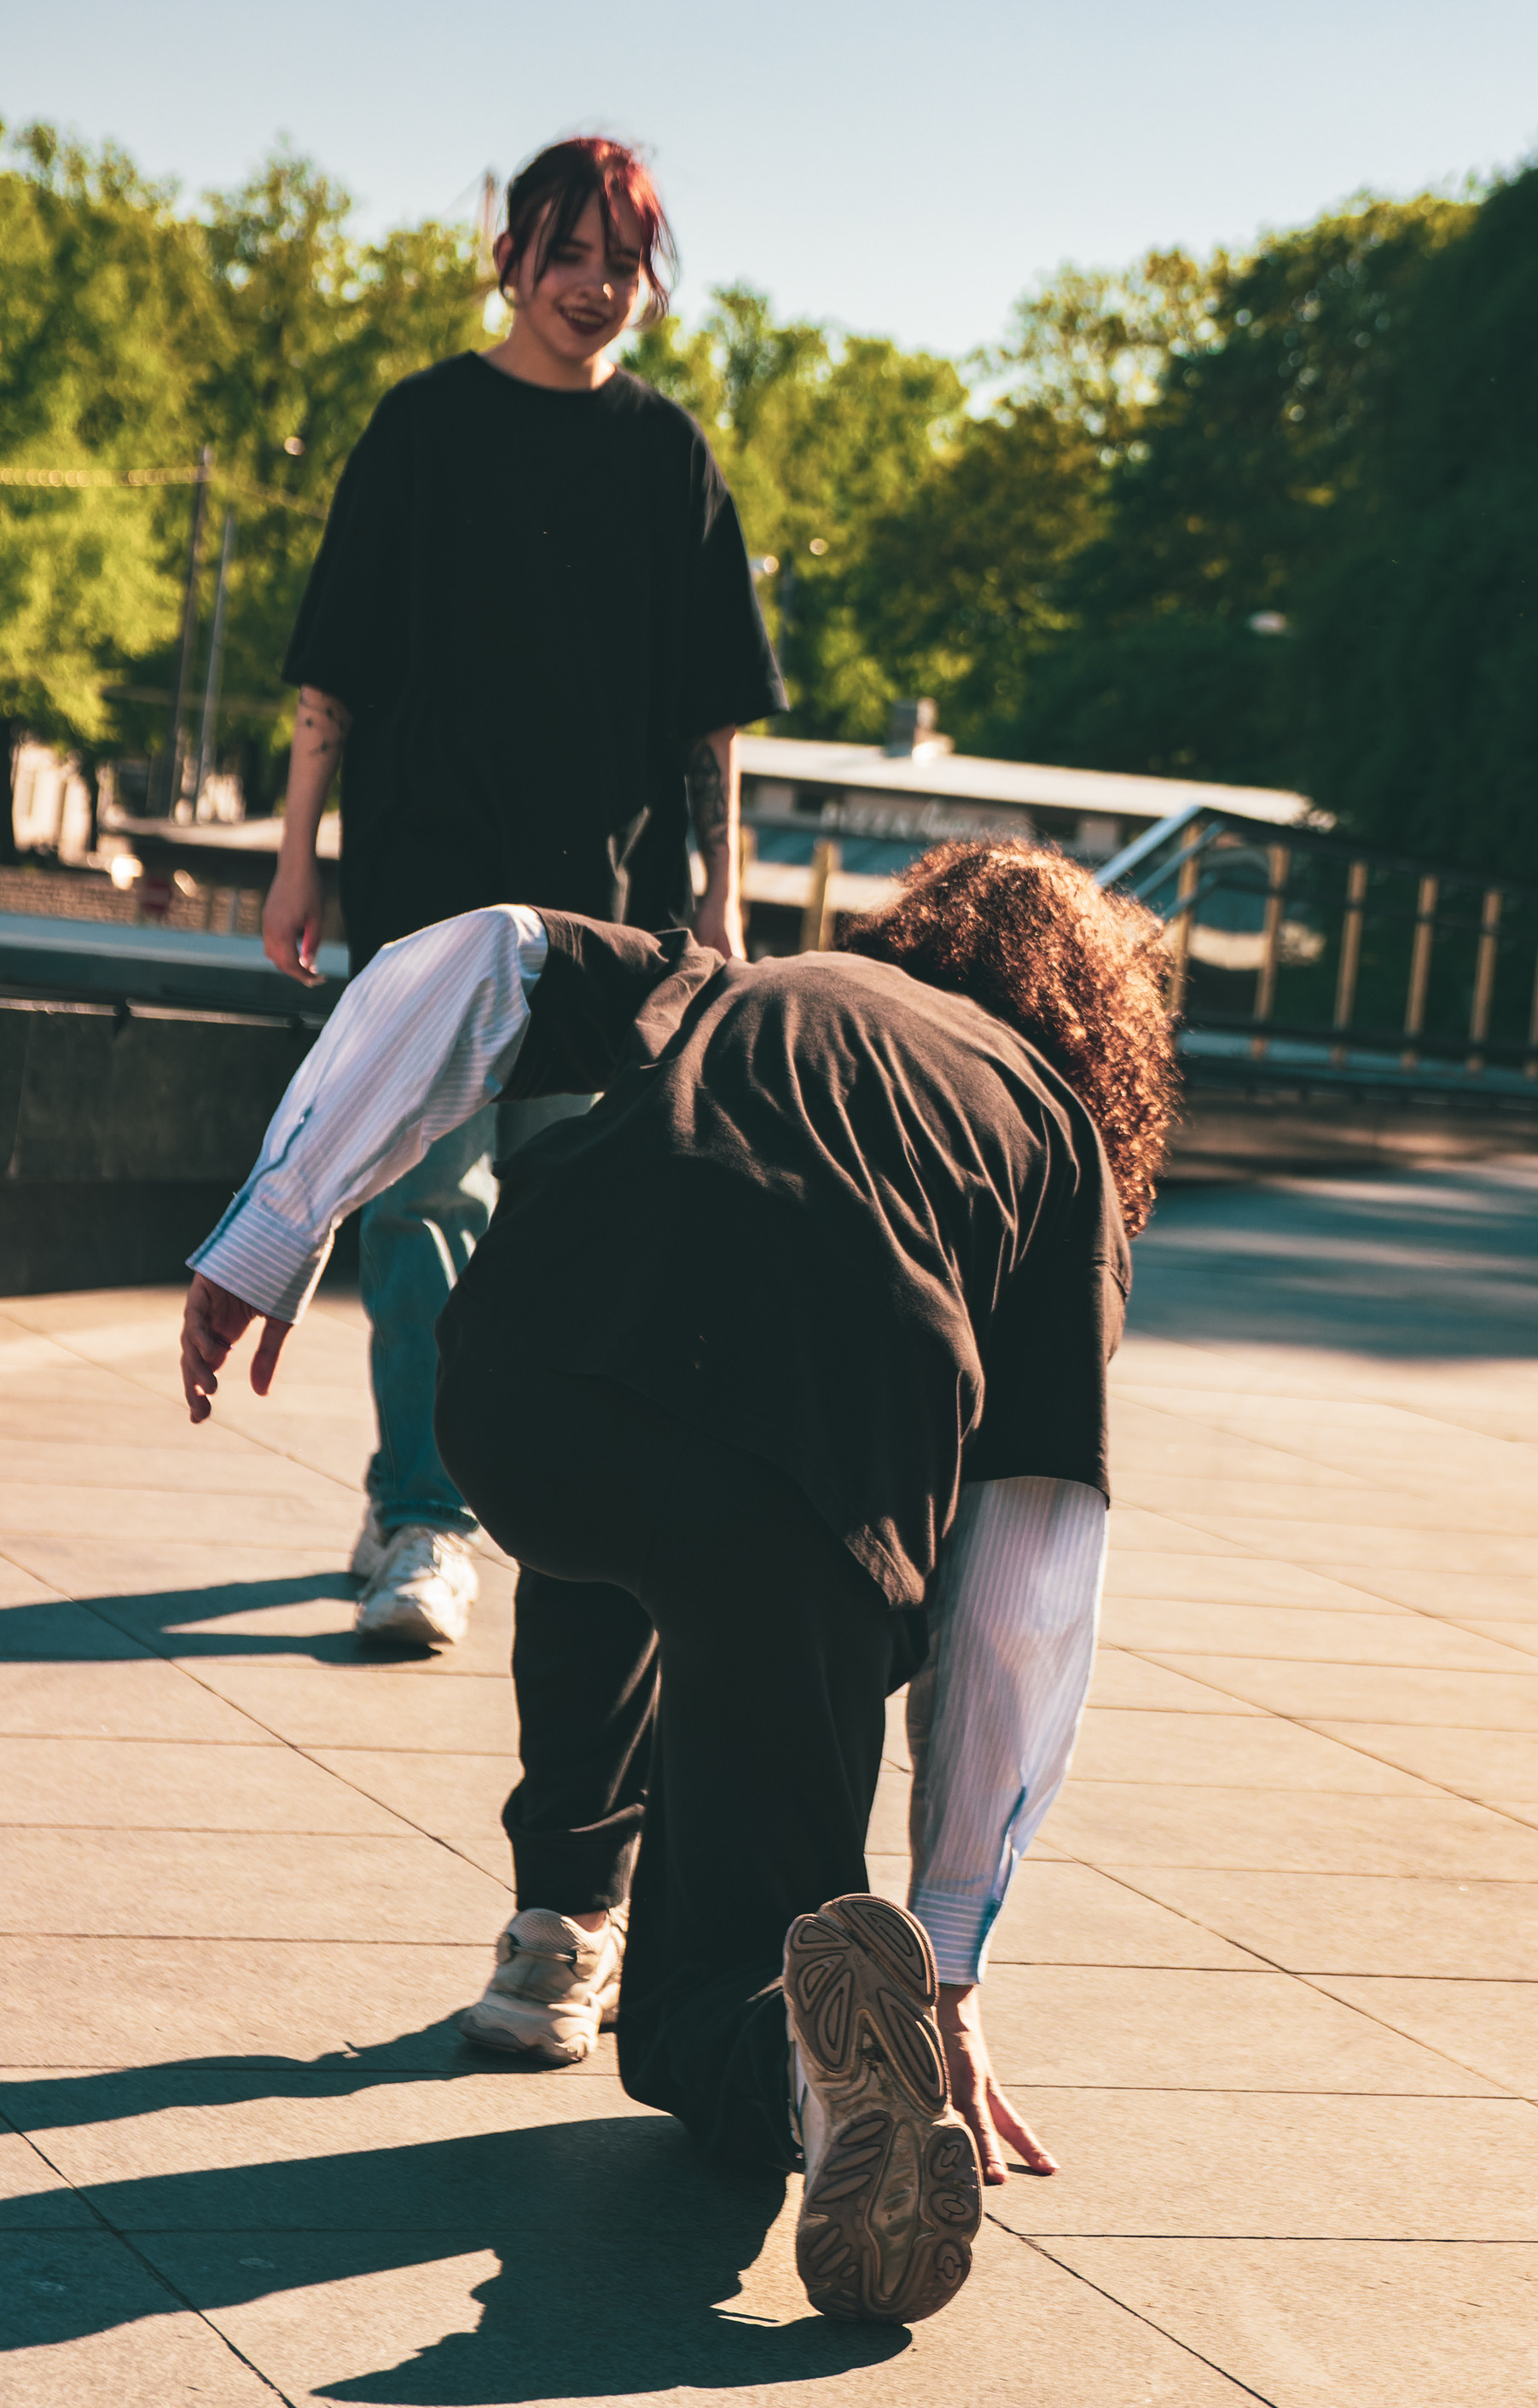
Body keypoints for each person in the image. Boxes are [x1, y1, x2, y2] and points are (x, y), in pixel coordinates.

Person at [180, 839, 1174, 2327]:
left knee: (604, 1545)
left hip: (528, 1382)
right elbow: (1024, 1580)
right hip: (801, 1500)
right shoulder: (1054, 1143)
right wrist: (950, 1948)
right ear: (1102, 1031)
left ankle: (557, 1930)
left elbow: (490, 950)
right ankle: (798, 2064)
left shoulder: (744, 982)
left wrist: (282, 1217)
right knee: (727, 1973)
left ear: (913, 929)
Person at [261, 136, 785, 1652]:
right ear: (514, 259)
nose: (595, 287)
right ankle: (425, 1519)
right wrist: (297, 855)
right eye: (567, 254)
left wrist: (725, 901)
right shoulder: (422, 427)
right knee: (426, 1199)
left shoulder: (667, 454)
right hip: (427, 889)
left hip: (605, 914)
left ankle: (477, 1502)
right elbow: (333, 663)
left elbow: (711, 718)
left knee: (560, 1216)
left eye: (622, 261)